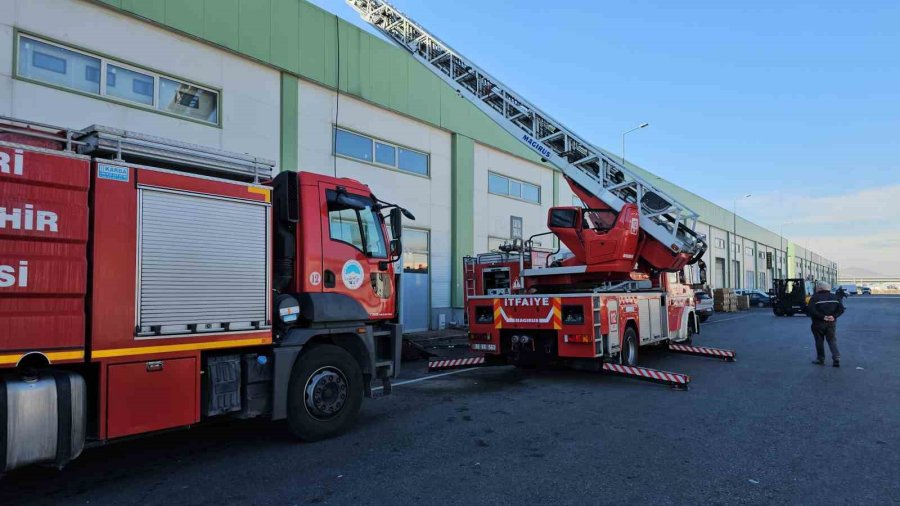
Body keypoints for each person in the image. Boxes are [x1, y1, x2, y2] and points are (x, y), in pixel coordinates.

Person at [807, 281, 845, 367]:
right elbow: (841, 309)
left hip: (818, 323)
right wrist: (833, 316)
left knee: (819, 341)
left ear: (820, 288)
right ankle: (836, 358)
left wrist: (822, 317)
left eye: (817, 287)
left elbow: (811, 310)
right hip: (831, 323)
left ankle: (820, 359)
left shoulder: (815, 298)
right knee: (832, 340)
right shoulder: (835, 297)